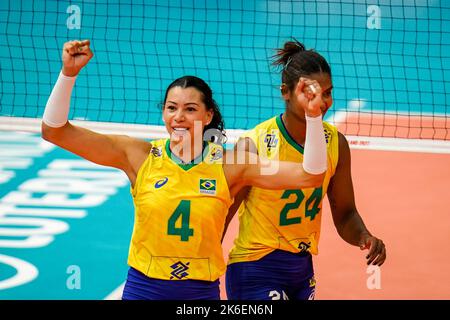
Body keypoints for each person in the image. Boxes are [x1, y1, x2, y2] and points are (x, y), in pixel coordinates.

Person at [41, 40, 329, 300]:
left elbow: (311, 175)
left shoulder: (230, 165)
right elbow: (55, 132)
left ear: (208, 116)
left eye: (190, 109)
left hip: (199, 294)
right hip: (144, 289)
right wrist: (69, 74)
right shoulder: (139, 156)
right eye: (171, 108)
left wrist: (313, 116)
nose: (179, 117)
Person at [225, 39, 387, 300]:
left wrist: (364, 236)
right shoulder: (253, 144)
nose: (321, 102)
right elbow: (223, 212)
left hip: (301, 270)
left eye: (327, 93)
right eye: (311, 93)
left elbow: (345, 213)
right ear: (285, 92)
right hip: (254, 266)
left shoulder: (336, 144)